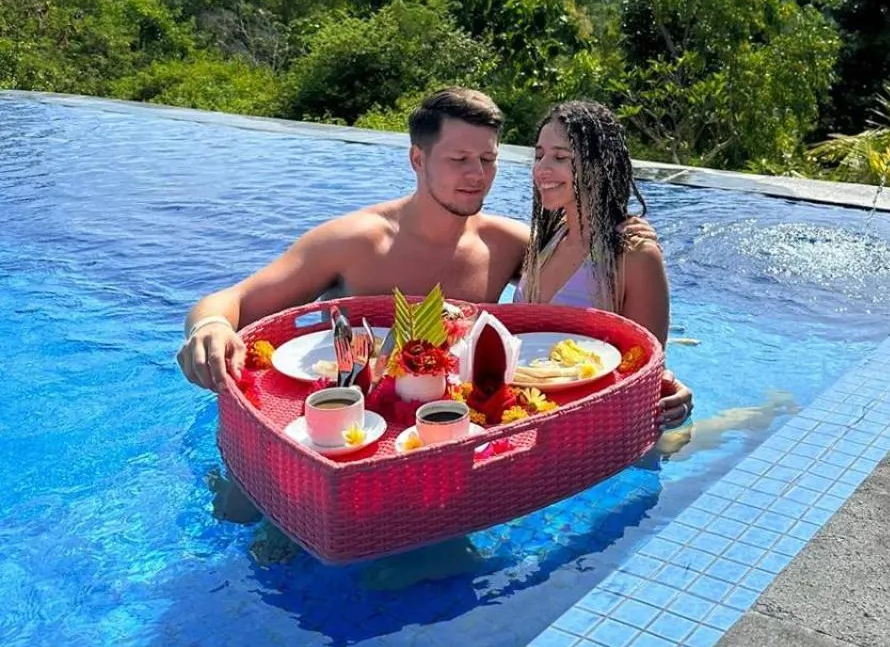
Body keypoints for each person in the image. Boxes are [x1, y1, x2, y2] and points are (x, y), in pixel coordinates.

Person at [176, 86, 690, 429]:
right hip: (344, 421)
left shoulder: (510, 244)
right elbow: (234, 300)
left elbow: (588, 301)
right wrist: (209, 329)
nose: (477, 175)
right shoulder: (355, 241)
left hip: (446, 434)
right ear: (417, 159)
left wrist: (665, 382)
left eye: (488, 160)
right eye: (459, 159)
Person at [515, 99, 693, 428]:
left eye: (561, 157)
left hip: (596, 430)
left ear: (599, 165)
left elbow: (646, 365)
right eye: (539, 155)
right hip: (529, 417)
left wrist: (672, 387)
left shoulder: (634, 254)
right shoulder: (547, 240)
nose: (542, 169)